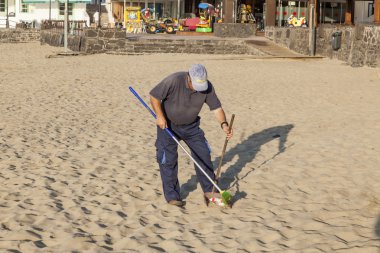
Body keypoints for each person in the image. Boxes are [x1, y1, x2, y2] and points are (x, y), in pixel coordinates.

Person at [149, 64, 233, 207]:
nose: (197, 89)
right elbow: (154, 97)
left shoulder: (208, 87)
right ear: (189, 78)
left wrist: (224, 124)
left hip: (191, 127)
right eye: (195, 85)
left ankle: (210, 191)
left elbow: (217, 108)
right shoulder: (174, 80)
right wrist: (160, 116)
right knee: (168, 159)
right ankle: (172, 197)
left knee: (203, 153)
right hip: (168, 125)